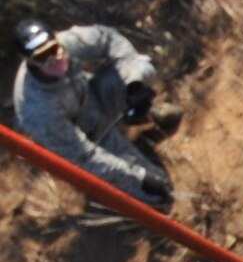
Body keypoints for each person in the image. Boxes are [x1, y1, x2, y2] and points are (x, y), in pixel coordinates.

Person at [12, 18, 180, 208]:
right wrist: (139, 178)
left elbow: (108, 38)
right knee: (157, 189)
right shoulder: (37, 110)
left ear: (57, 41)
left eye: (53, 50)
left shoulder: (68, 42)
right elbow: (83, 156)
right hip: (86, 138)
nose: (53, 59)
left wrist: (134, 85)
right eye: (42, 58)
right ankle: (117, 190)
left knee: (142, 67)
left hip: (95, 98)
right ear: (30, 63)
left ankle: (142, 115)